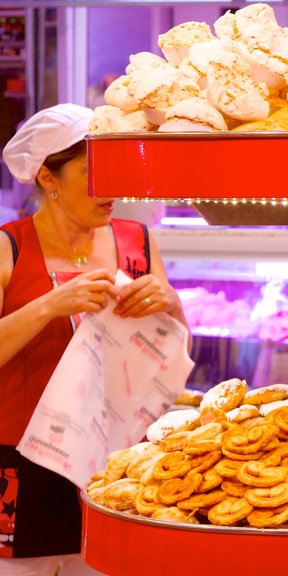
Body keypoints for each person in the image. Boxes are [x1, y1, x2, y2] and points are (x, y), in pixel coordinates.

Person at [0, 104, 188, 575]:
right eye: (92, 174)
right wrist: (49, 305)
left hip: (121, 461)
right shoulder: (9, 247)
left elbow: (178, 347)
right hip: (24, 465)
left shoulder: (137, 241)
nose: (112, 192)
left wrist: (169, 303)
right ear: (48, 177)